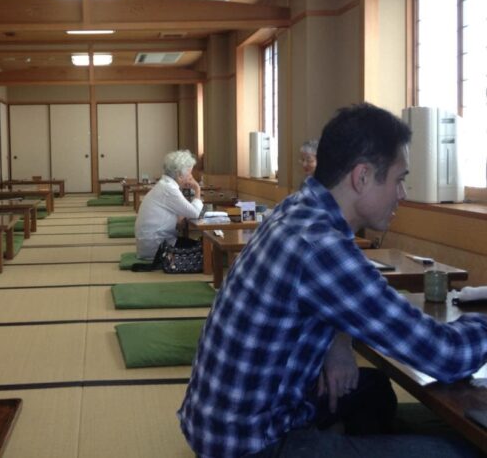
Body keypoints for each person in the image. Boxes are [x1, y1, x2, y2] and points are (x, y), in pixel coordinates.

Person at [179, 103, 486, 458]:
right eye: (399, 180)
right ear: (362, 177)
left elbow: (320, 296)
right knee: (455, 452)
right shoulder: (321, 247)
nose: (402, 194)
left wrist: (337, 343)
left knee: (372, 391)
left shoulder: (296, 209)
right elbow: (444, 355)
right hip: (251, 443)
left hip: (217, 420)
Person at [134, 150, 203, 260]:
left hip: (151, 242)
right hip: (157, 246)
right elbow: (194, 213)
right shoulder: (169, 189)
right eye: (190, 173)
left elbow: (180, 218)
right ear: (180, 175)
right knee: (205, 252)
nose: (191, 177)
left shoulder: (165, 185)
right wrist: (197, 189)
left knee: (200, 247)